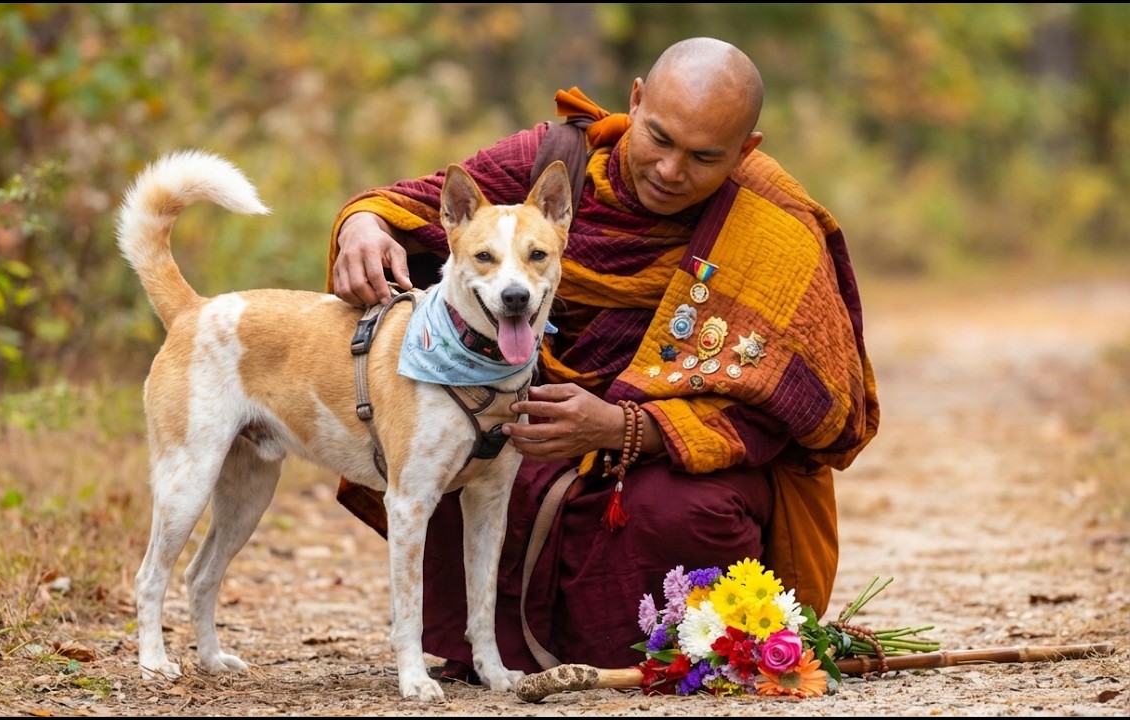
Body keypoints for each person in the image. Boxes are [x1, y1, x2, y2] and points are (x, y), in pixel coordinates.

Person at [325, 36, 880, 680]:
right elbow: (421, 207)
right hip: (527, 424)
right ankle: (487, 645)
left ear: (745, 151)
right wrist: (362, 226)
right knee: (447, 451)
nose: (671, 171)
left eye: (704, 157)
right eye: (661, 139)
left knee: (689, 517)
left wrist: (627, 428)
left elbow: (807, 414)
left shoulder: (773, 227)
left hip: (658, 456)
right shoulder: (556, 161)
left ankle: (660, 654)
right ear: (636, 100)